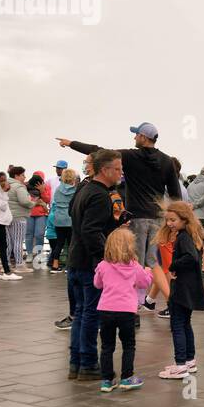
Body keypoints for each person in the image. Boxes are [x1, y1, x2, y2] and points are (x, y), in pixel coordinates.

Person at [58, 121, 181, 277]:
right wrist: (174, 222)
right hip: (157, 218)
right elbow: (175, 194)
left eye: (136, 134)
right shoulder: (167, 161)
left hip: (137, 217)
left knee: (136, 261)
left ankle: (136, 300)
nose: (134, 137)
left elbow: (100, 152)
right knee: (152, 262)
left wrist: (71, 143)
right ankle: (161, 297)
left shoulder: (131, 156)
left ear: (143, 137)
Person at [67, 149, 126, 380]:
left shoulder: (84, 188)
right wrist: (106, 258)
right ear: (105, 170)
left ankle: (76, 363)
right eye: (118, 169)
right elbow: (91, 231)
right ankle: (89, 363)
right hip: (89, 263)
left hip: (75, 258)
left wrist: (114, 222)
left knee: (80, 313)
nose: (121, 173)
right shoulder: (101, 195)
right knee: (91, 313)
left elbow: (79, 218)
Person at [93, 227, 151, 392]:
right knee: (128, 345)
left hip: (105, 310)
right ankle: (127, 377)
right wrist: (149, 273)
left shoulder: (103, 265)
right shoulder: (134, 266)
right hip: (126, 311)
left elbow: (97, 284)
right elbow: (144, 283)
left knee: (107, 346)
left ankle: (106, 380)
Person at [158, 200, 204, 378]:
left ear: (184, 219)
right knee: (185, 324)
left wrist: (172, 266)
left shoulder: (183, 237)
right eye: (168, 220)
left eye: (173, 220)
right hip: (190, 287)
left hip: (182, 288)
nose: (169, 223)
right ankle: (189, 361)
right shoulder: (190, 235)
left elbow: (191, 258)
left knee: (177, 324)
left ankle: (180, 365)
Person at [49, 166, 78, 270]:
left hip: (59, 219)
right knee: (71, 244)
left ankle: (55, 264)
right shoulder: (75, 190)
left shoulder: (58, 189)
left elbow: (55, 202)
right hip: (70, 219)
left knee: (59, 243)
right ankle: (69, 266)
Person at [25, 169, 52, 263]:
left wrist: (42, 190)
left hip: (41, 214)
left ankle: (39, 253)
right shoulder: (26, 186)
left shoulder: (46, 187)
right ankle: (29, 253)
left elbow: (48, 200)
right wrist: (36, 202)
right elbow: (24, 199)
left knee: (39, 234)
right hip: (29, 213)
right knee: (28, 234)